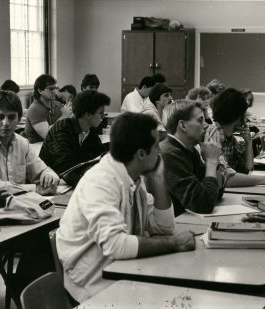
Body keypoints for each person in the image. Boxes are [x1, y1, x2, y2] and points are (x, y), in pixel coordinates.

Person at [56, 112, 196, 302]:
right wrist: (175, 243)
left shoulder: (133, 176)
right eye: (156, 146)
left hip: (124, 271)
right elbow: (115, 245)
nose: (160, 151)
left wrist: (157, 179)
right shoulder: (101, 181)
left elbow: (164, 228)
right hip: (94, 287)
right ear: (140, 154)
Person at [0, 90, 60, 193]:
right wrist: (35, 189)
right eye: (0, 117)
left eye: (11, 117)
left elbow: (43, 170)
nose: (6, 123)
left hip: (18, 202)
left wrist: (48, 176)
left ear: (19, 119)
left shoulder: (22, 143)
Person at [206, 88, 265, 188]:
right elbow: (226, 179)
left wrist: (248, 142)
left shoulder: (230, 138)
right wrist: (264, 179)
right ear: (238, 116)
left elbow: (247, 168)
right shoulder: (213, 136)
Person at [160, 99, 224, 216]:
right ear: (183, 125)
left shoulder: (189, 149)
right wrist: (211, 161)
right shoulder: (169, 154)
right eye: (200, 120)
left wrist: (215, 158)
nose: (206, 125)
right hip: (176, 226)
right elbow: (204, 204)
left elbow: (216, 192)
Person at [40, 90, 110, 186]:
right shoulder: (62, 129)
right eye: (100, 112)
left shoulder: (90, 130)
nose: (103, 116)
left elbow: (99, 155)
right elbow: (66, 170)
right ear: (88, 114)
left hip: (70, 183)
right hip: (52, 184)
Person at [25, 74, 71, 143]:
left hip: (53, 144)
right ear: (40, 91)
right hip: (37, 146)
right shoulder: (35, 108)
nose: (54, 91)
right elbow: (46, 135)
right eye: (51, 89)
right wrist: (64, 116)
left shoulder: (56, 104)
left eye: (56, 88)